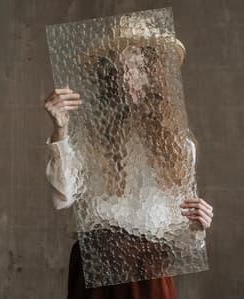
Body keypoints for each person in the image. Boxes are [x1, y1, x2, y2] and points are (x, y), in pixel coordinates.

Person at [43, 35, 214, 299]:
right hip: (96, 266)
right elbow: (62, 196)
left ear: (152, 76)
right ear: (107, 78)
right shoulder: (90, 137)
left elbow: (181, 233)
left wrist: (197, 224)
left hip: (150, 268)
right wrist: (61, 129)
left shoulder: (178, 146)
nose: (126, 78)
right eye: (118, 70)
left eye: (137, 67)